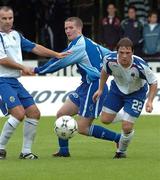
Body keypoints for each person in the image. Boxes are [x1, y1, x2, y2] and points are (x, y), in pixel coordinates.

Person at [34, 17, 121, 157]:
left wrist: (37, 70)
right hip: (85, 86)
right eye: (66, 28)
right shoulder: (88, 42)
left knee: (82, 128)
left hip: (95, 86)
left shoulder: (79, 46)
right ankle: (64, 151)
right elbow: (110, 55)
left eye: (71, 28)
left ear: (79, 28)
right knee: (62, 114)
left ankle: (119, 139)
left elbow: (59, 62)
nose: (68, 31)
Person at [0, 6, 69, 160]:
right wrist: (23, 67)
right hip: (2, 80)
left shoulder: (16, 35)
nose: (8, 21)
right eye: (4, 18)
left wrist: (56, 54)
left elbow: (35, 47)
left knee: (34, 113)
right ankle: (0, 148)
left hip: (15, 81)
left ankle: (26, 152)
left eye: (10, 18)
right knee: (18, 114)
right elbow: (2, 60)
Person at [93, 37, 157, 158]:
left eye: (128, 53)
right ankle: (127, 117)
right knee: (105, 119)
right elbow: (104, 72)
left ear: (132, 52)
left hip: (136, 93)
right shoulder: (109, 59)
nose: (124, 56)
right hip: (117, 90)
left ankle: (121, 151)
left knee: (126, 127)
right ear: (117, 52)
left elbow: (153, 82)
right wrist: (100, 89)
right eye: (121, 53)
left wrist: (150, 101)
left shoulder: (140, 65)